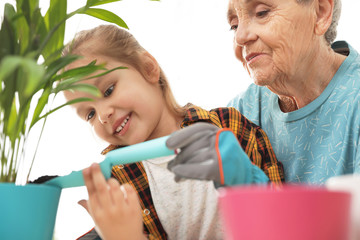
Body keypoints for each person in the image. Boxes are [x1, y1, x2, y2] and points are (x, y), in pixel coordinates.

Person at [61, 25, 284, 240]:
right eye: (89, 114)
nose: (102, 116)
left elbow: (285, 224)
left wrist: (246, 183)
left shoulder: (229, 126)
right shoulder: (118, 184)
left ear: (147, 67)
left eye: (108, 90)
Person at [167, 0, 360, 185]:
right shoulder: (240, 113)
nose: (240, 37)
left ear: (320, 12)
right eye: (234, 25)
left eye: (262, 13)